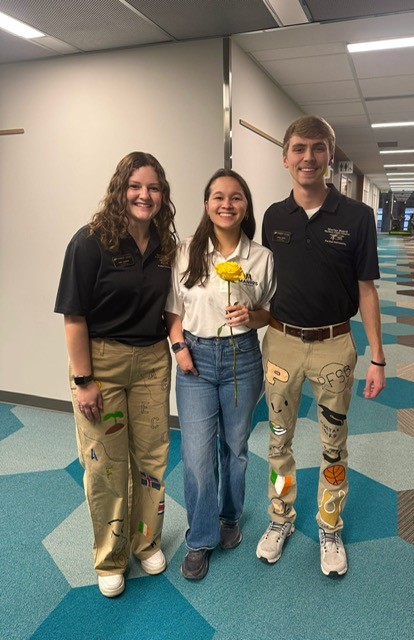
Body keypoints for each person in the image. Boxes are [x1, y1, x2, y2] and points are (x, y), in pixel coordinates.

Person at [256, 115, 386, 576]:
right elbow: (266, 282)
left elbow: (366, 288)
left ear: (330, 155)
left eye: (317, 148)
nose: (307, 157)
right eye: (299, 148)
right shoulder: (274, 217)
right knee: (278, 442)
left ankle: (330, 526)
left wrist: (377, 356)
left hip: (334, 344)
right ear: (285, 157)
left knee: (334, 445)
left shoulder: (357, 216)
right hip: (282, 344)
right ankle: (280, 517)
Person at [54, 152, 178, 597]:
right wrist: (83, 381)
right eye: (135, 186)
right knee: (106, 465)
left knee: (151, 460)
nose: (145, 195)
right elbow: (73, 316)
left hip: (151, 362)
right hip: (101, 364)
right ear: (119, 189)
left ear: (163, 195)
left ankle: (146, 541)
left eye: (154, 188)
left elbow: (171, 307)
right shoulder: (90, 242)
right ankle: (110, 556)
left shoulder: (165, 245)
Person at [165, 168, 275, 580]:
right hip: (194, 358)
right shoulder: (185, 251)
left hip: (241, 358)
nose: (227, 204)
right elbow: (173, 308)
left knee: (235, 448)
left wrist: (251, 315)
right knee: (196, 455)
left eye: (236, 197)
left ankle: (230, 516)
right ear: (206, 204)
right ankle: (200, 538)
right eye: (218, 197)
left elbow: (271, 311)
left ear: (246, 206)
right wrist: (179, 347)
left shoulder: (261, 257)